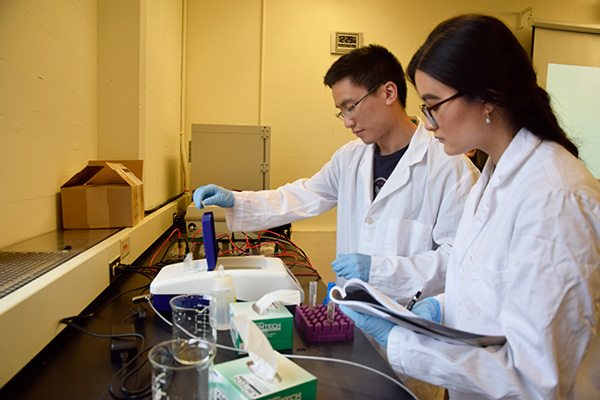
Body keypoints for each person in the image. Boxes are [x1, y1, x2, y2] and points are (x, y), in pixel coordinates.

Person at [341, 14, 600, 399]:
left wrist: (403, 341)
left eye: (433, 105)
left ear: (489, 97)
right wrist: (439, 309)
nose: (427, 123)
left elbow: (536, 380)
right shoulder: (494, 177)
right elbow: (491, 290)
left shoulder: (554, 197)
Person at [193, 44, 479, 303]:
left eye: (350, 106)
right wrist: (239, 201)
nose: (348, 122)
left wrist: (378, 270)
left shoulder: (449, 167)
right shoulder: (350, 158)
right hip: (350, 313)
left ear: (389, 92)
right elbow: (304, 194)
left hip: (411, 322)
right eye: (341, 111)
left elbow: (457, 258)